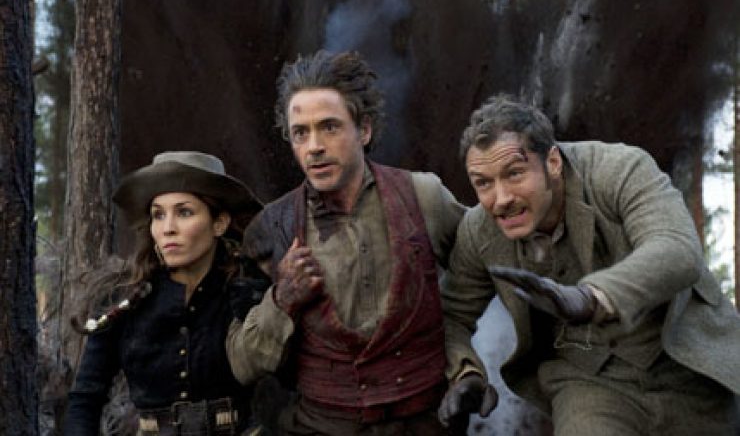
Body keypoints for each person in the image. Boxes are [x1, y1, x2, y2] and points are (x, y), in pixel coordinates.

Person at [226, 50, 496, 435]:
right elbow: (242, 365)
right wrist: (281, 299)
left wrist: (464, 366)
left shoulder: (423, 198)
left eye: (329, 127)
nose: (314, 146)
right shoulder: (272, 229)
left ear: (364, 130)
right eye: (301, 133)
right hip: (321, 426)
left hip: (425, 423)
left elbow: (487, 266)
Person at [443, 94, 740, 435]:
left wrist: (592, 297)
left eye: (515, 173)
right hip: (587, 380)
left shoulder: (618, 169)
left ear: (552, 162)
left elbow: (676, 247)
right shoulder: (479, 231)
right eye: (483, 183)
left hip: (686, 365)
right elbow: (451, 316)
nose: (501, 199)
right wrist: (465, 371)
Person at [64, 151, 268, 435]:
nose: (168, 229)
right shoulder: (123, 299)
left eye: (184, 212)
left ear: (219, 223)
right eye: (158, 215)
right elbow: (86, 399)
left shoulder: (248, 292)